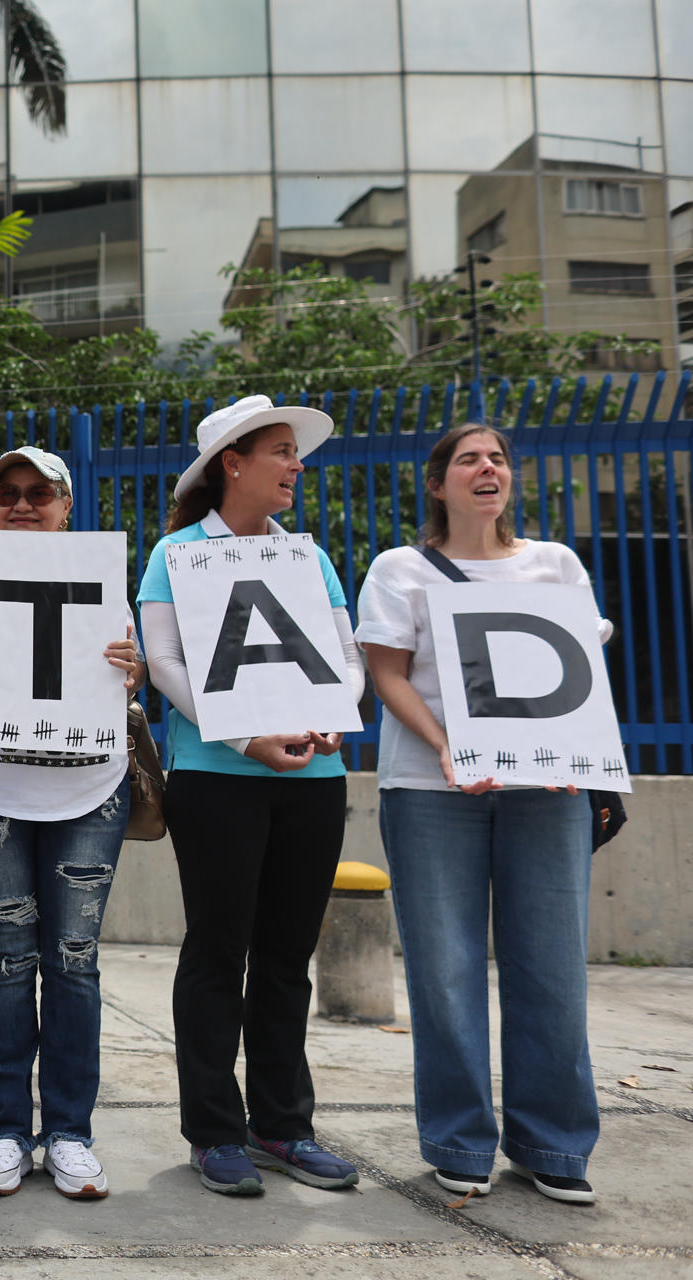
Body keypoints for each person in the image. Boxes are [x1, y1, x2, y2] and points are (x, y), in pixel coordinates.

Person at [357, 423, 606, 1205]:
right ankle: (460, 1142)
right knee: (446, 971)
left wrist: (576, 751)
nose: (486, 468)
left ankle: (555, 1146)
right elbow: (386, 674)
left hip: (546, 795)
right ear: (439, 484)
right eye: (468, 459)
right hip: (432, 794)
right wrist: (447, 748)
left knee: (553, 965)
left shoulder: (555, 565)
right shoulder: (400, 569)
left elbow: (581, 670)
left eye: (497, 458)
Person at [136, 395, 363, 1196]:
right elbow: (164, 664)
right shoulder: (175, 554)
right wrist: (244, 738)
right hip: (216, 781)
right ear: (232, 462)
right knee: (216, 952)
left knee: (286, 959)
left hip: (313, 780)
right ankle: (214, 1132)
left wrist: (338, 713)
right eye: (279, 451)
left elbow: (344, 650)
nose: (295, 465)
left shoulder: (310, 557)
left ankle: (282, 1125)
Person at [0, 446, 144, 1199]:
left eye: (37, 493)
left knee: (73, 959)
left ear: (65, 503)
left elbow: (130, 670)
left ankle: (71, 1133)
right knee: (8, 960)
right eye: (7, 493)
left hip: (90, 793)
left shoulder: (105, 575)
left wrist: (133, 669)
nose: (20, 504)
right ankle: (7, 1131)